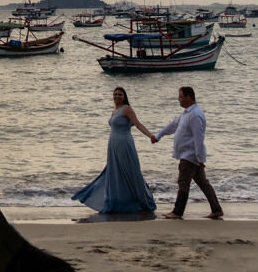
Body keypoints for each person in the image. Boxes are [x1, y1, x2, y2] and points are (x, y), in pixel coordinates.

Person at [72, 86, 157, 213]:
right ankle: (119, 200)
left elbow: (138, 124)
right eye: (115, 94)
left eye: (120, 94)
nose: (117, 96)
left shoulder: (127, 109)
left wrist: (150, 135)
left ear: (124, 97)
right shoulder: (114, 111)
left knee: (130, 172)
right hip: (113, 146)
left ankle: (142, 200)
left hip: (124, 144)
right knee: (115, 173)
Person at [151, 85, 223, 219]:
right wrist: (158, 135)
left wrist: (201, 159)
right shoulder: (187, 113)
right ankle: (216, 209)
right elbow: (173, 125)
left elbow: (199, 138)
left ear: (189, 97)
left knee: (183, 182)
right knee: (203, 183)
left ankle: (177, 212)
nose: (179, 100)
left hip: (190, 156)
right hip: (189, 155)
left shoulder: (195, 115)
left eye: (181, 97)